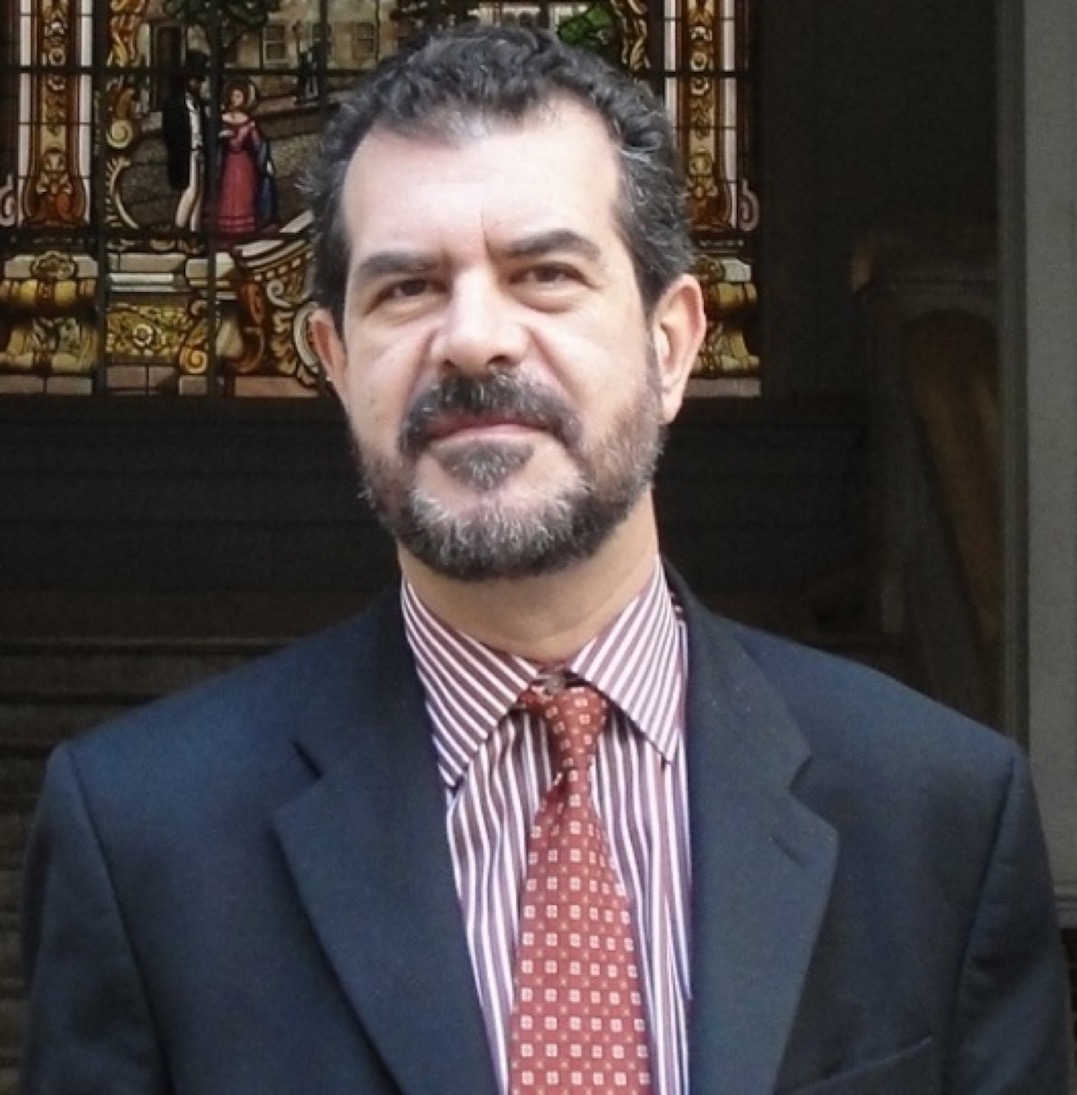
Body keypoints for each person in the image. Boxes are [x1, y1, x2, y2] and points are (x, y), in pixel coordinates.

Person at [19, 24, 1070, 1095]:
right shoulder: (147, 840)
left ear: (672, 345)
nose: (474, 338)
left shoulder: (937, 814)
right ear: (335, 363)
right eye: (406, 288)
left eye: (545, 274)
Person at [214, 77, 278, 239]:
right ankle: (229, 230)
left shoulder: (248, 120)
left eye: (239, 96)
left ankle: (246, 230)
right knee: (229, 194)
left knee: (246, 193)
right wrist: (236, 134)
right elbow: (233, 145)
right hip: (230, 163)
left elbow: (258, 144)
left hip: (245, 164)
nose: (235, 99)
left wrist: (253, 133)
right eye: (233, 95)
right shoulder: (222, 119)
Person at [161, 49, 209, 233]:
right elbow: (170, 132)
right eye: (196, 81)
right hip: (185, 154)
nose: (198, 85)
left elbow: (201, 127)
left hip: (199, 152)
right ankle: (178, 230)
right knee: (191, 190)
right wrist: (185, 149)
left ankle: (194, 231)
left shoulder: (198, 104)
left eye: (199, 81)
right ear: (187, 81)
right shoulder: (173, 104)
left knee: (200, 192)